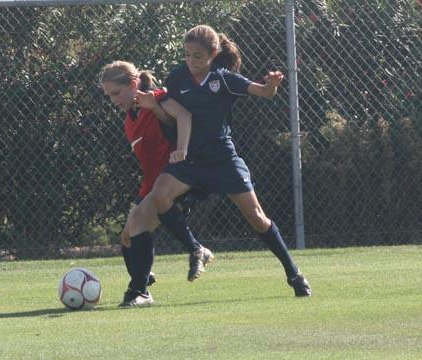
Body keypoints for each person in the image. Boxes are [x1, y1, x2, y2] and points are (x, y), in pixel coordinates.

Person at [150, 25, 311, 297]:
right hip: (190, 159)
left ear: (213, 54)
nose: (191, 61)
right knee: (160, 196)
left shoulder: (223, 78)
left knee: (258, 219)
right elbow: (169, 115)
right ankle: (196, 248)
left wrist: (271, 85)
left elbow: (262, 92)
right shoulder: (178, 77)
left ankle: (294, 274)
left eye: (198, 56)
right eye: (187, 55)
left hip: (223, 159)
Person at [100, 61, 214, 307]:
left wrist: (181, 150)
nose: (112, 100)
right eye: (108, 95)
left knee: (140, 222)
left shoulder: (157, 99)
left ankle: (139, 291)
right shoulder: (130, 118)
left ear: (133, 84)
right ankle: (143, 276)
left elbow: (183, 116)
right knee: (127, 237)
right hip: (151, 183)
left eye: (116, 93)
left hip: (175, 178)